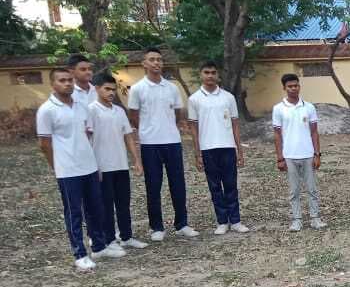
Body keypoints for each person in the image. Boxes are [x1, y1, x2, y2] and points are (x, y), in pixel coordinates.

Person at [36, 67, 125, 270]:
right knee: (74, 212)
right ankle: (80, 253)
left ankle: (100, 246)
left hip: (89, 167)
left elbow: (87, 136)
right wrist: (56, 166)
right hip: (68, 170)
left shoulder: (81, 107)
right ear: (53, 84)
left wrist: (94, 163)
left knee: (96, 208)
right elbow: (44, 144)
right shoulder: (47, 110)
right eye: (62, 80)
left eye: (69, 80)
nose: (67, 83)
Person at [127, 47, 199, 241]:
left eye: (159, 59)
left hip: (172, 141)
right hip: (150, 144)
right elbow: (133, 117)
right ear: (144, 63)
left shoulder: (171, 88)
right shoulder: (137, 89)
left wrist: (170, 127)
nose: (156, 63)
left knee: (178, 185)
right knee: (153, 186)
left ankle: (182, 223)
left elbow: (178, 113)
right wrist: (148, 130)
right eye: (152, 59)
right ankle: (156, 226)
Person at [87, 73, 147, 251]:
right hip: (102, 166)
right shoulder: (91, 110)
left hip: (120, 164)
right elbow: (87, 139)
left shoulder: (119, 110)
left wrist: (136, 160)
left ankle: (126, 236)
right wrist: (92, 166)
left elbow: (128, 136)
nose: (111, 92)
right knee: (106, 204)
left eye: (113, 89)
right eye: (107, 89)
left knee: (123, 203)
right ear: (97, 89)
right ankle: (109, 240)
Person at [187, 61, 248, 235]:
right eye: (206, 72)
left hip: (227, 146)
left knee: (231, 185)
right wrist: (197, 154)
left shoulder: (228, 97)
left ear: (218, 75)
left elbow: (235, 124)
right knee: (215, 187)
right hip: (207, 149)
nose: (210, 76)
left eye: (213, 72)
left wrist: (239, 150)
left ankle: (235, 220)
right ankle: (222, 221)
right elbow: (193, 128)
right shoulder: (194, 99)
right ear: (201, 74)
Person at [272, 73, 327, 231]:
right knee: (294, 191)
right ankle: (297, 220)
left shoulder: (308, 107)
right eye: (290, 86)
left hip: (308, 155)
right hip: (289, 155)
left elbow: (314, 132)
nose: (293, 88)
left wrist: (317, 154)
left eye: (296, 85)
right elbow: (277, 134)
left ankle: (315, 218)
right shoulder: (279, 109)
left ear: (299, 86)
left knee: (312, 189)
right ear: (284, 88)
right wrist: (280, 158)